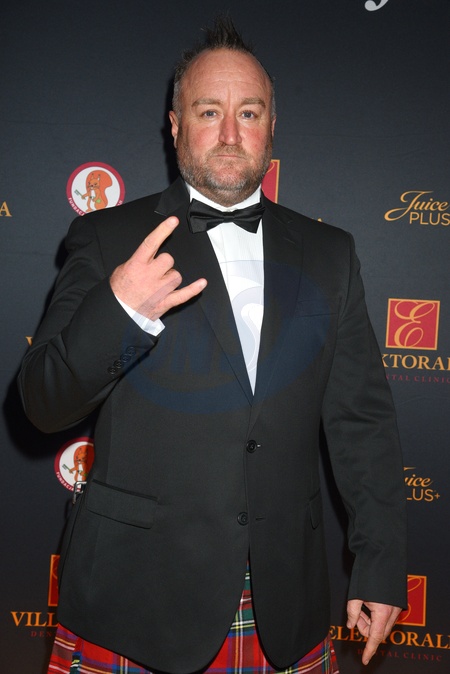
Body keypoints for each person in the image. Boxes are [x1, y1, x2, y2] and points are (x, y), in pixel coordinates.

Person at [18, 16, 407, 674]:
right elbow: (42, 403)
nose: (230, 133)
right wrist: (120, 309)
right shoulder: (108, 238)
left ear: (271, 127)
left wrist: (382, 562)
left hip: (284, 602)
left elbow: (361, 422)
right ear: (175, 127)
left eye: (248, 112)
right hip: (131, 602)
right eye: (208, 112)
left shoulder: (330, 253)